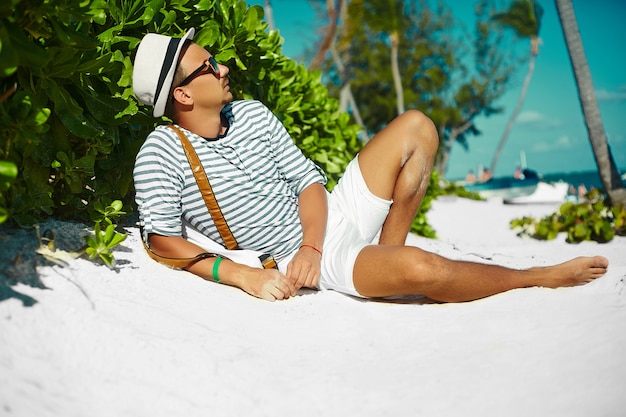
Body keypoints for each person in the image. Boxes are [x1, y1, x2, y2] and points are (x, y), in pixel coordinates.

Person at [131, 28, 608, 302]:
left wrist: (314, 245)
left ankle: (386, 254)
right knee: (423, 270)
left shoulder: (251, 113)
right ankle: (535, 278)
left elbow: (307, 182)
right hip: (306, 256)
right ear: (184, 95)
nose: (224, 68)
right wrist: (244, 275)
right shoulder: (161, 153)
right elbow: (161, 240)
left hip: (328, 223)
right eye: (210, 66)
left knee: (418, 126)